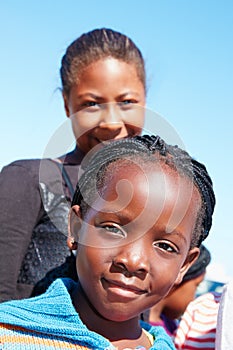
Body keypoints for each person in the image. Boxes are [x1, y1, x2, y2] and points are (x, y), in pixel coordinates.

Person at [0, 135, 215, 349]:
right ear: (76, 227)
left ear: (184, 265)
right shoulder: (9, 335)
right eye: (112, 228)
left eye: (166, 246)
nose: (132, 261)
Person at [0, 28, 146, 302]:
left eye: (127, 102)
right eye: (92, 104)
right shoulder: (27, 180)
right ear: (67, 105)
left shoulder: (151, 197)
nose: (112, 122)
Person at [143, 244, 211, 336]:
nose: (193, 298)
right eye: (197, 286)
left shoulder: (172, 326)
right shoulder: (138, 328)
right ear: (181, 274)